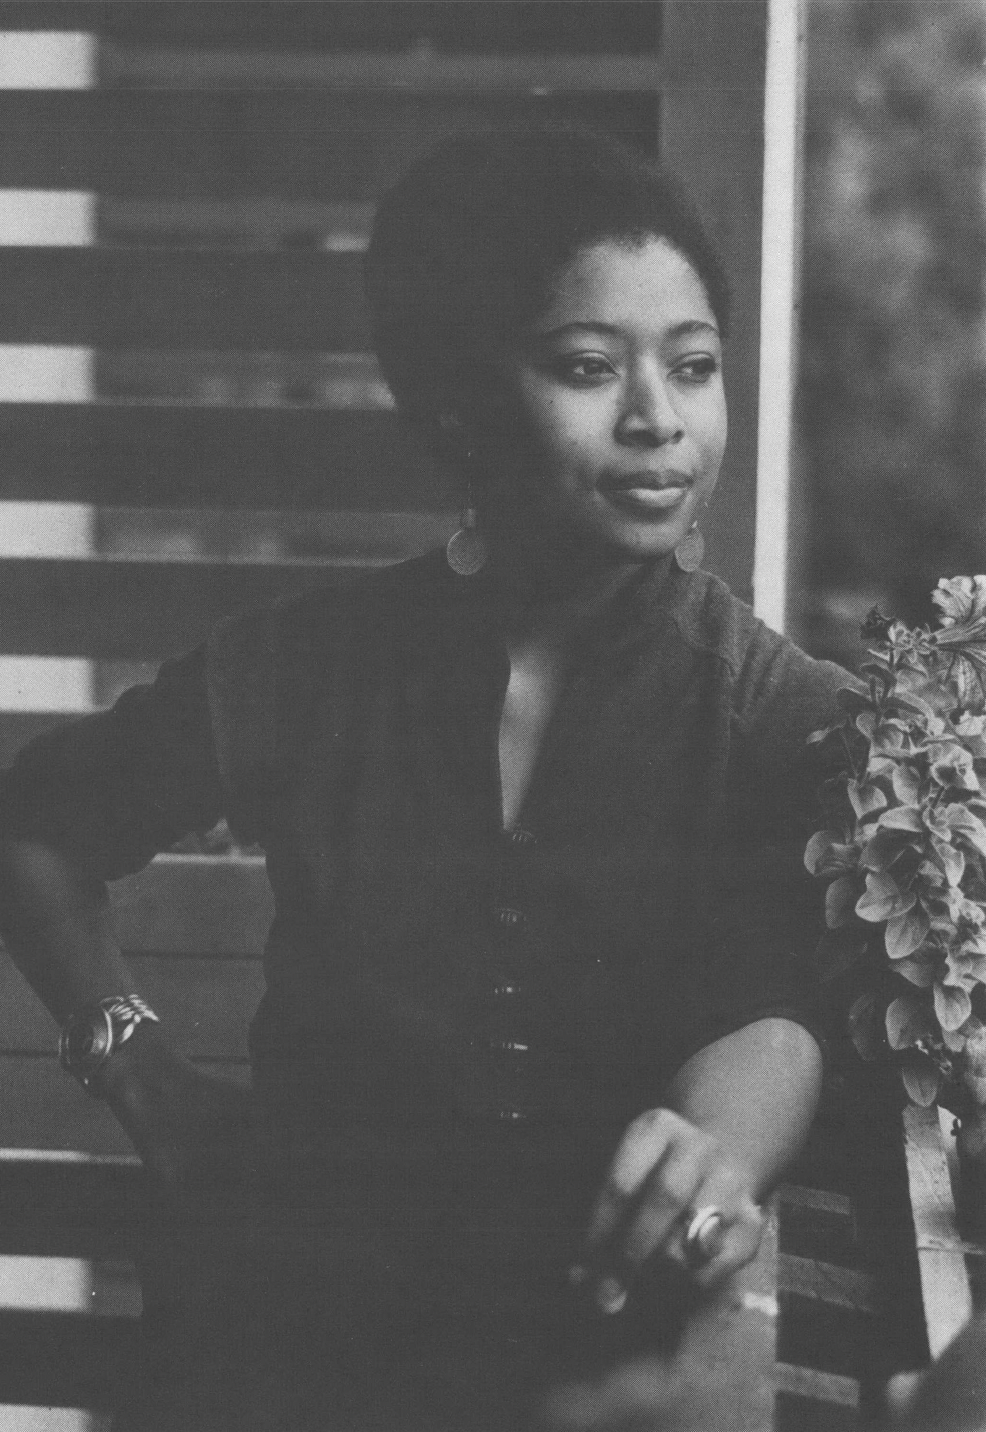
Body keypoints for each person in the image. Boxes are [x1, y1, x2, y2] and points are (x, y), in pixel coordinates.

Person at [0, 128, 847, 1430]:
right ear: (458, 395)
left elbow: (774, 1009)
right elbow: (36, 831)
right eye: (585, 367)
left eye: (694, 367)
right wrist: (139, 1073)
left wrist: (716, 1152)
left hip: (602, 1376)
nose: (657, 419)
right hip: (272, 1354)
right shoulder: (308, 668)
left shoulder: (779, 714)